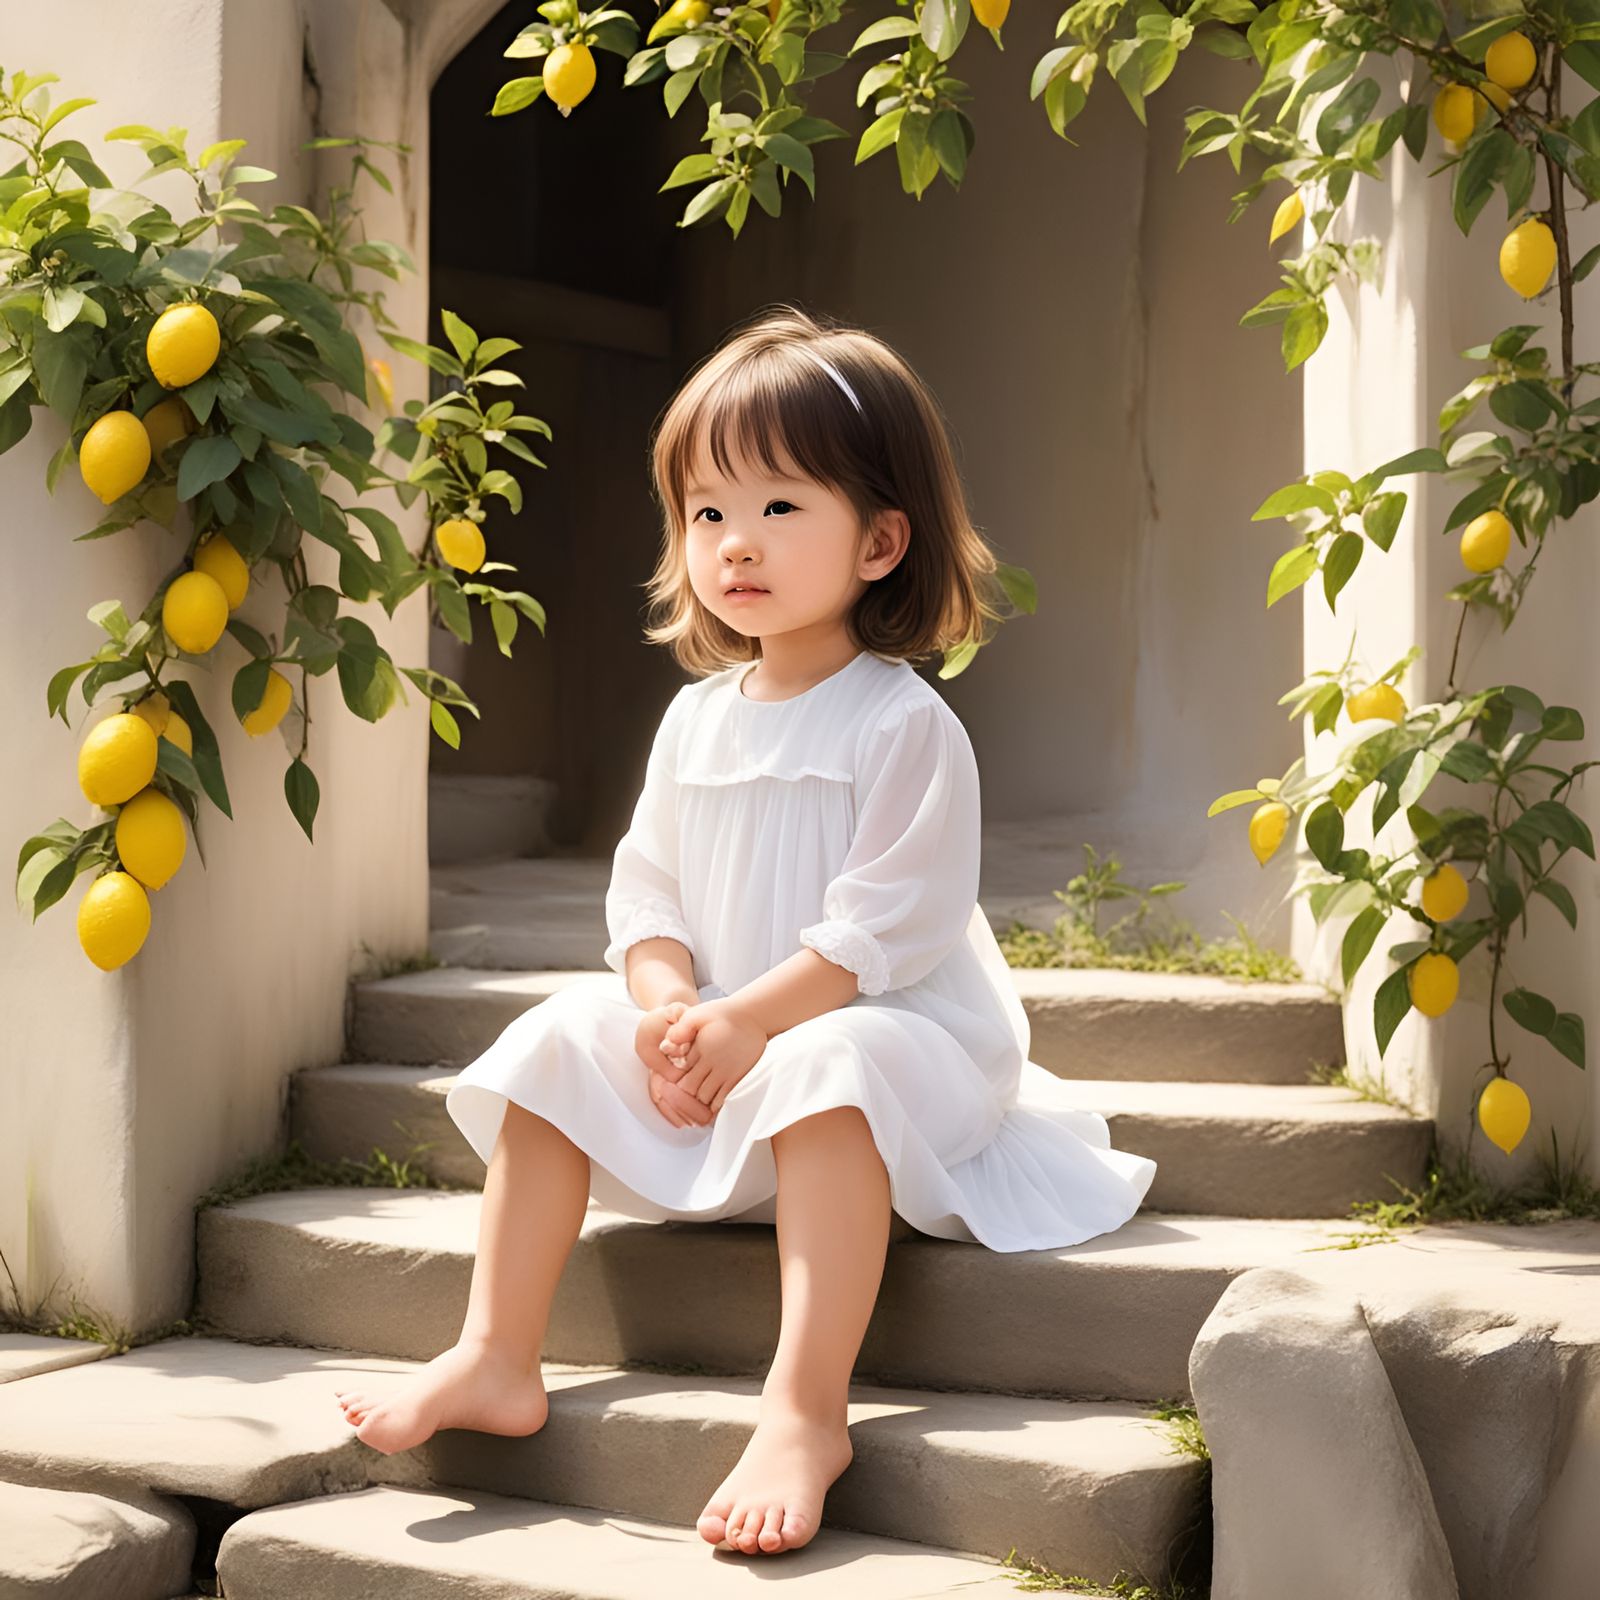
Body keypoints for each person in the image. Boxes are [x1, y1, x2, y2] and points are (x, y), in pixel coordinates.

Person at [333, 303, 1158, 1558]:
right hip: (722, 1043)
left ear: (881, 540)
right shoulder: (697, 720)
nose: (736, 542)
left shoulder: (900, 725)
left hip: (888, 1047)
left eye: (781, 507)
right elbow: (647, 893)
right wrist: (669, 1001)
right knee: (562, 1030)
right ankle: (496, 1349)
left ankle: (803, 1408)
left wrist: (747, 1021)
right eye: (708, 511)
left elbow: (885, 928)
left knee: (834, 1058)